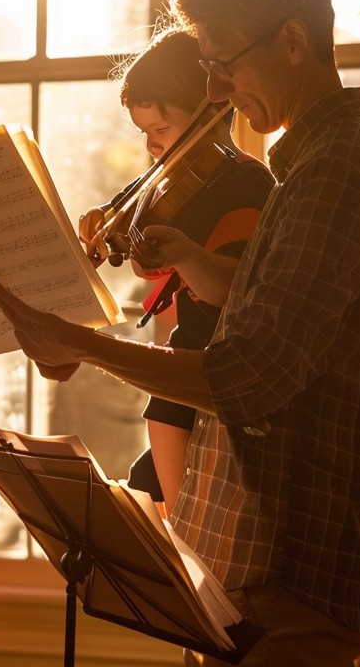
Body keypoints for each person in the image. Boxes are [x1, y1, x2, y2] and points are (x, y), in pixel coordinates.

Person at [0, 0, 360, 667]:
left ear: (293, 41)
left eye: (224, 64)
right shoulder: (305, 175)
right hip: (242, 586)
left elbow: (244, 379)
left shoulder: (337, 178)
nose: (216, 89)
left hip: (286, 593)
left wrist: (81, 344)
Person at [78, 28, 274, 514]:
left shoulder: (246, 183)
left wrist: (185, 254)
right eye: (144, 132)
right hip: (187, 360)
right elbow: (145, 259)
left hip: (214, 362)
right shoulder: (174, 182)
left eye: (161, 130)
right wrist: (107, 220)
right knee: (144, 491)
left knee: (177, 512)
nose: (151, 146)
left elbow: (227, 287)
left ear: (211, 114)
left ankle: (183, 535)